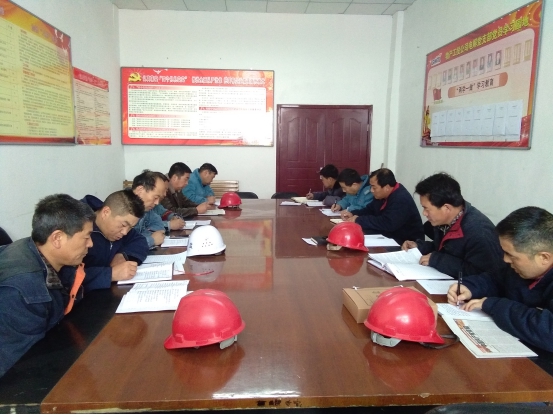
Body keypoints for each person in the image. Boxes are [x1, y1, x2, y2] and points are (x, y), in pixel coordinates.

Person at [0, 194, 94, 377]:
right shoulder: (24, 291)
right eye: (87, 237)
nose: (91, 244)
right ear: (57, 238)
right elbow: (21, 370)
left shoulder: (37, 250)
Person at [448, 207, 553, 352]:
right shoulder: (519, 268)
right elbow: (496, 279)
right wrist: (470, 287)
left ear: (544, 258)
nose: (505, 259)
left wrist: (494, 305)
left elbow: (549, 332)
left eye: (511, 255)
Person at [401, 172, 503, 277]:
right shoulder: (446, 221)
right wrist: (419, 247)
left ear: (446, 208)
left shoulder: (479, 232)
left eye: (426, 208)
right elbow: (443, 248)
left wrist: (437, 260)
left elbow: (485, 274)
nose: (424, 213)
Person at [80, 189, 149, 291]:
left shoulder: (120, 228)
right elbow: (67, 277)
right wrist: (111, 274)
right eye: (123, 225)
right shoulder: (79, 230)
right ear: (106, 212)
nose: (125, 232)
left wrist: (123, 255)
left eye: (130, 227)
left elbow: (139, 240)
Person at [341, 168, 423, 244]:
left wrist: (359, 220)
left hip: (405, 242)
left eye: (374, 187)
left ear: (386, 187)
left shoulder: (401, 198)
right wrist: (353, 213)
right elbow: (370, 209)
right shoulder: (381, 195)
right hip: (388, 236)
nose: (371, 190)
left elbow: (387, 223)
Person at [132, 170, 172, 248]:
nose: (157, 203)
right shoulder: (123, 208)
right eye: (155, 197)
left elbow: (159, 226)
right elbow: (126, 246)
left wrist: (144, 236)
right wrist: (151, 239)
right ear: (140, 191)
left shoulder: (146, 208)